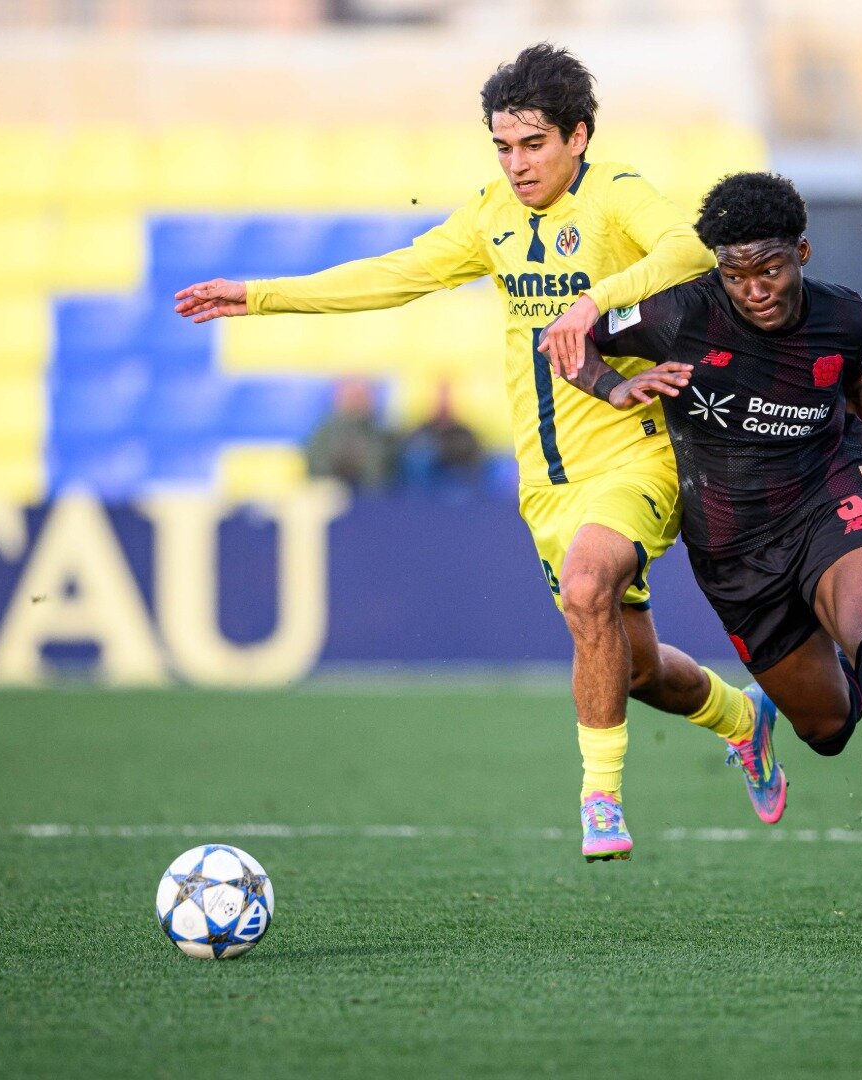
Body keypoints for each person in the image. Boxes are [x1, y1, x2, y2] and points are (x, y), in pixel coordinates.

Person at [173, 44, 771, 861]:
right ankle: (742, 718)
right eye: (503, 146)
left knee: (593, 583)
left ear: (578, 137)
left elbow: (688, 251)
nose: (517, 164)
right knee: (630, 670)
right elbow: (397, 273)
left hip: (636, 450)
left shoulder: (616, 195)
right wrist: (259, 296)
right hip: (546, 480)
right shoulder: (492, 215)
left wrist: (593, 299)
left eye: (533, 145)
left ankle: (600, 801)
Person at [564, 172, 862, 939]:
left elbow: (851, 386)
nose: (754, 289)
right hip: (735, 551)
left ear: (801, 252)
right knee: (829, 730)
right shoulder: (680, 312)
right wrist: (612, 387)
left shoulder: (844, 315)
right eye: (735, 274)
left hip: (827, 501)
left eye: (770, 268)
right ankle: (777, 708)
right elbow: (566, 345)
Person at [306, 379, 398, 491]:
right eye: (352, 397)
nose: (356, 403)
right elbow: (318, 468)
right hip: (332, 493)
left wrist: (359, 463)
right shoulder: (324, 432)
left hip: (371, 496)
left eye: (360, 397)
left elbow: (379, 472)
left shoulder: (380, 434)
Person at [398, 382, 485, 498]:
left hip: (456, 486)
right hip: (426, 488)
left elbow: (475, 461)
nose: (443, 403)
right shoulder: (420, 432)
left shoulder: (465, 434)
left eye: (447, 398)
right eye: (440, 398)